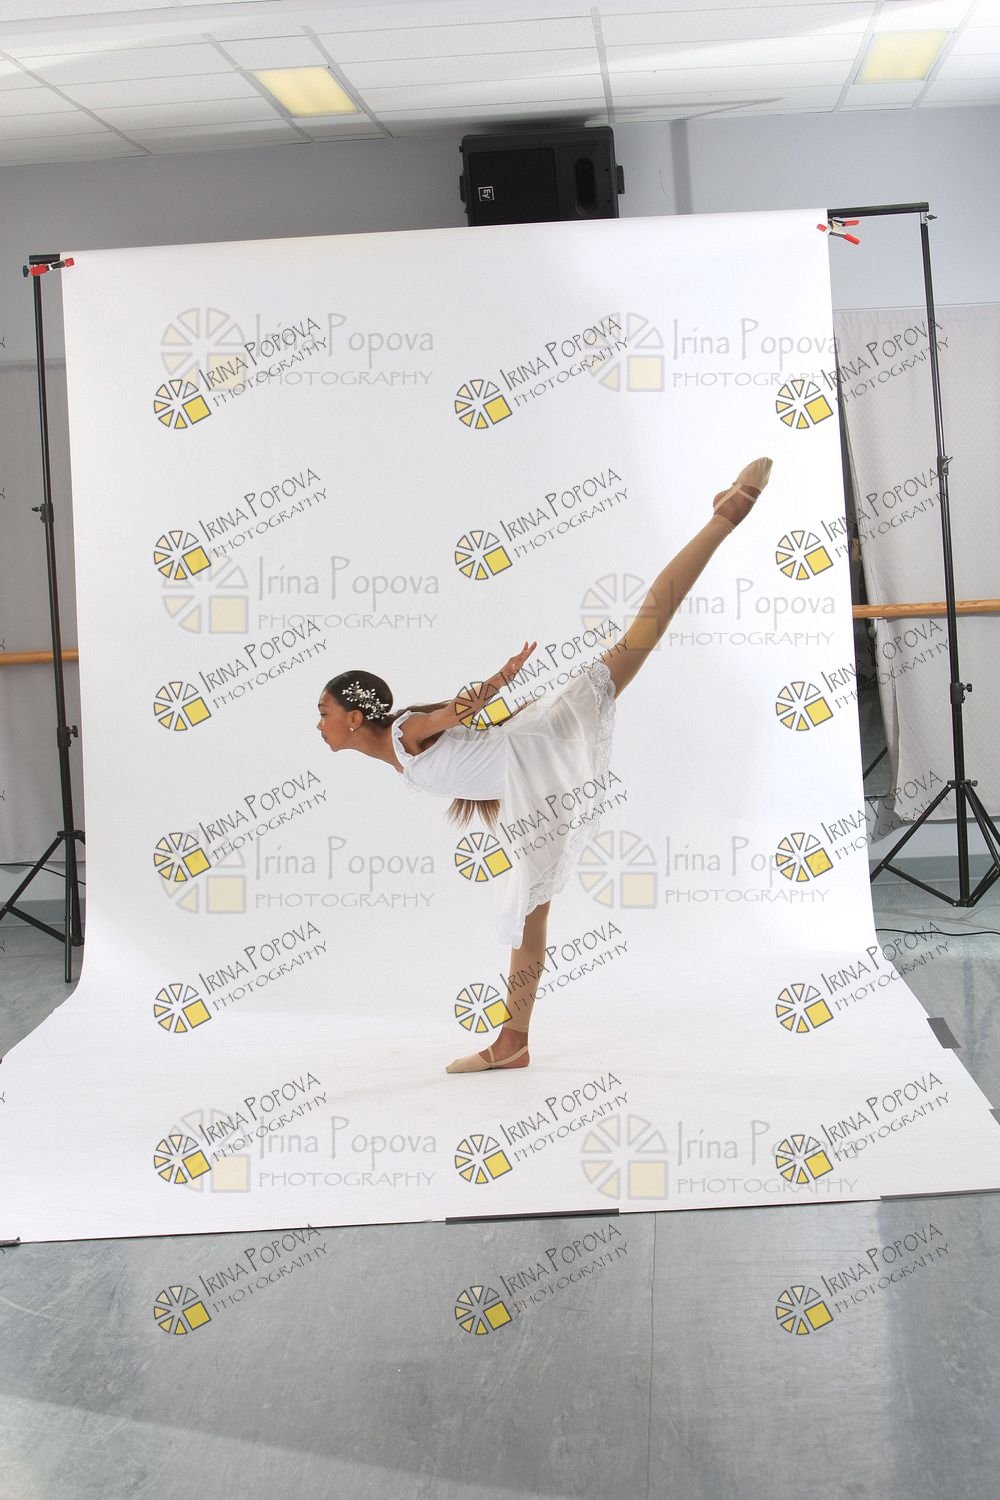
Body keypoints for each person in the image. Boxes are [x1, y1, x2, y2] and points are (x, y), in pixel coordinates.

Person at [316, 458, 773, 1074]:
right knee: (528, 912)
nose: (318, 723)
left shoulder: (403, 733)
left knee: (641, 632)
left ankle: (724, 517)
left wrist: (492, 685)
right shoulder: (403, 744)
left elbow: (456, 713)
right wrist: (492, 693)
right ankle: (514, 1041)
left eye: (323, 711)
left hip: (538, 745)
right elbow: (467, 734)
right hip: (531, 771)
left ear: (353, 717)